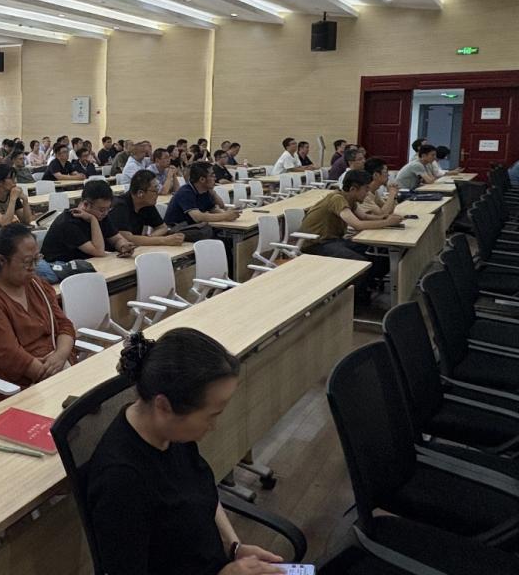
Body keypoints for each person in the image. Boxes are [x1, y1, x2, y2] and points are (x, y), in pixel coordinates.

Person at [87, 329, 285, 575]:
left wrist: (234, 548)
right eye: (211, 415)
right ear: (163, 406)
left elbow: (201, 492)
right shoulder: (121, 481)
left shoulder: (171, 433)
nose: (214, 426)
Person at [0, 224, 77, 388]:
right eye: (27, 262)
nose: (34, 267)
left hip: (57, 365)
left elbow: (64, 325)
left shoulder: (38, 285)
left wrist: (61, 355)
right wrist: (53, 374)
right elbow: (11, 356)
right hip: (21, 383)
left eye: (37, 259)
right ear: (2, 260)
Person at [297, 169, 400, 304]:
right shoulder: (337, 199)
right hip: (316, 244)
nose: (368, 193)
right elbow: (357, 224)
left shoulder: (351, 200)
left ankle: (366, 287)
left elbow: (364, 217)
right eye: (365, 189)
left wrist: (386, 218)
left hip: (334, 241)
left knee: (378, 253)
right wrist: (387, 222)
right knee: (359, 262)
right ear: (353, 189)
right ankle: (353, 303)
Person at [41, 180, 135, 268]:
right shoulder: (68, 222)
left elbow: (116, 239)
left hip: (85, 264)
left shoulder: (102, 216)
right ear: (85, 204)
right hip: (58, 268)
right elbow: (99, 251)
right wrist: (93, 220)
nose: (106, 213)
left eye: (108, 208)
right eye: (102, 210)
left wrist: (123, 246)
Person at [109, 170, 186, 248]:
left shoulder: (146, 204)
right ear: (140, 193)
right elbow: (126, 238)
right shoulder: (119, 206)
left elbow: (163, 227)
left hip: (135, 249)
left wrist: (149, 238)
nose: (158, 194)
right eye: (154, 191)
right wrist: (164, 240)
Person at [164, 163, 240, 229]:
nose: (215, 178)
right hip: (176, 229)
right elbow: (197, 217)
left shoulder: (204, 191)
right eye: (212, 175)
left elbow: (214, 209)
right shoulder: (185, 192)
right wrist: (225, 216)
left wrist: (229, 214)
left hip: (192, 227)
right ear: (202, 179)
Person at [0, 164, 34, 229]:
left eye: (15, 178)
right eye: (11, 178)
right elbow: (4, 223)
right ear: (0, 182)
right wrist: (13, 199)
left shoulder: (11, 195)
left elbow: (26, 221)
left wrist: (25, 200)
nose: (15, 181)